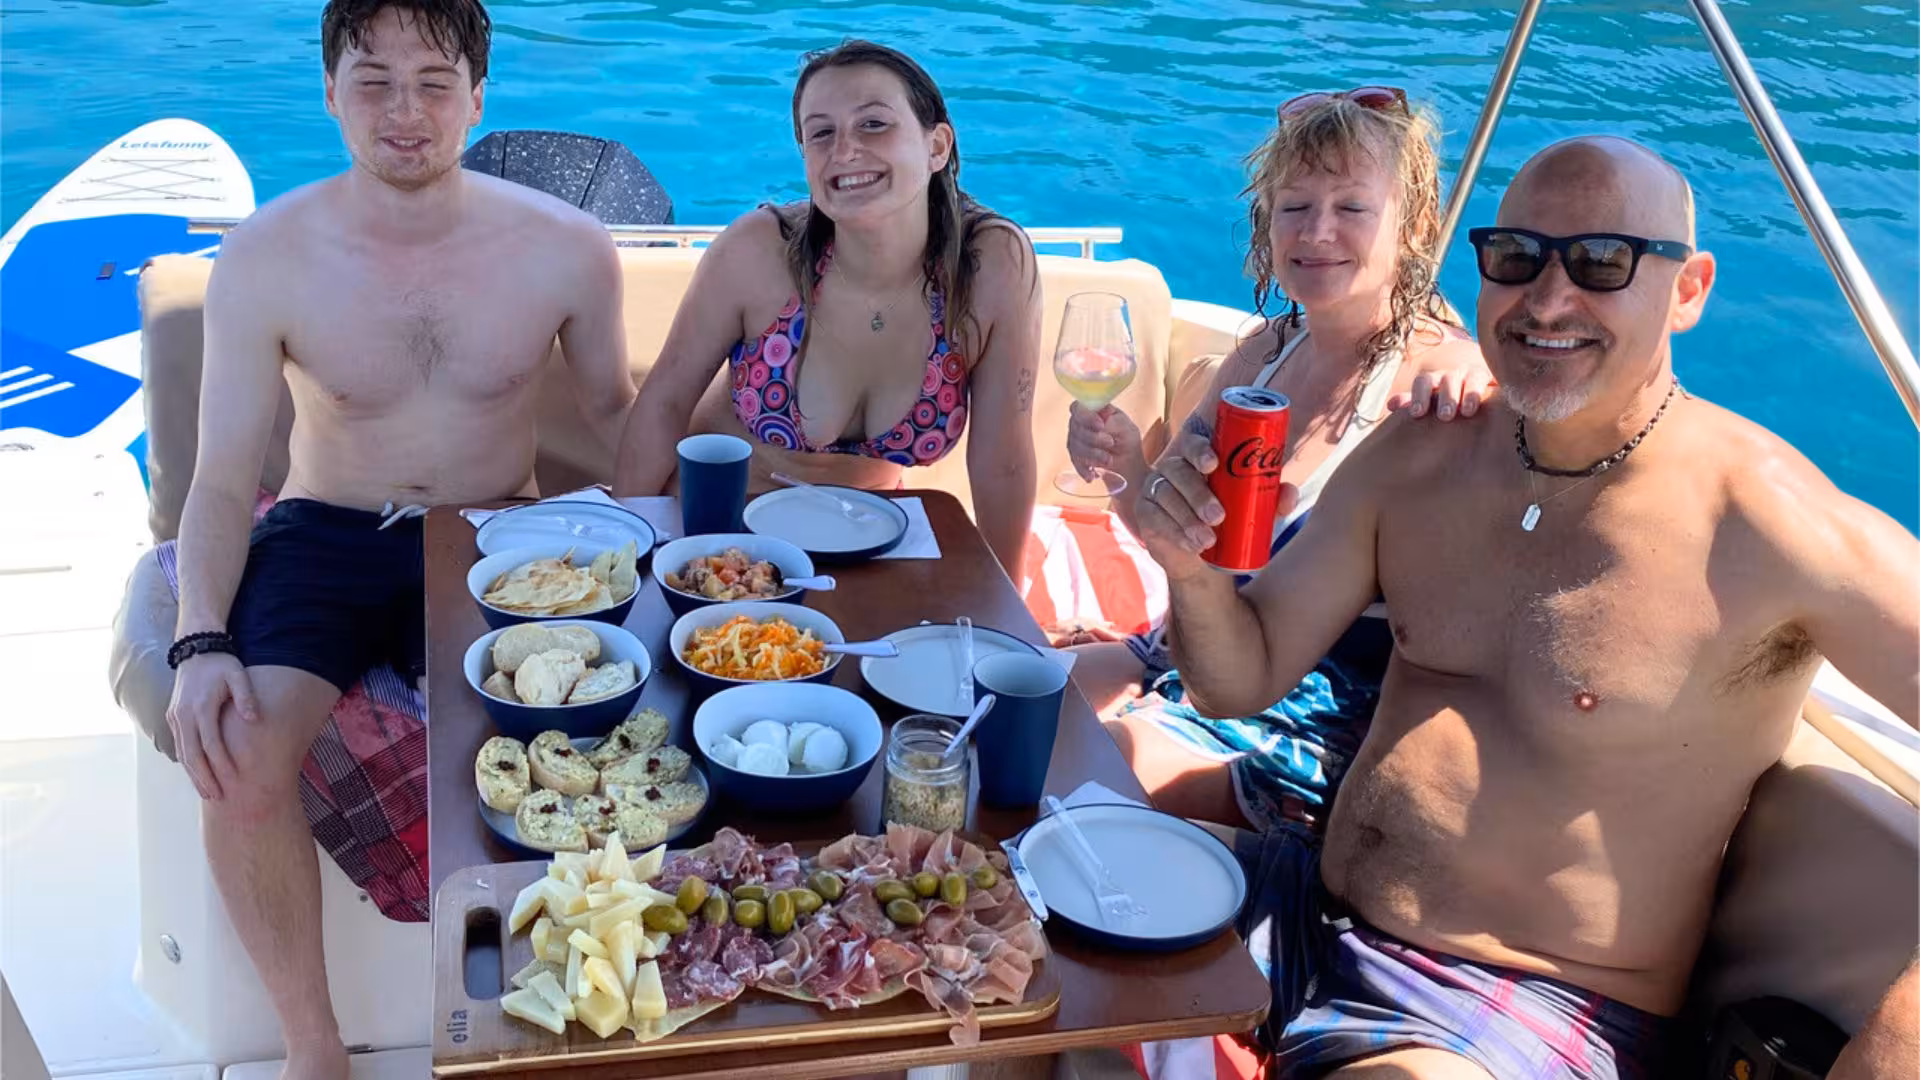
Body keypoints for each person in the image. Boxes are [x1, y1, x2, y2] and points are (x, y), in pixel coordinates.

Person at [1133, 135, 1919, 1077]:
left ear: (1689, 289)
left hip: (1526, 1002)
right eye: (1517, 257)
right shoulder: (1417, 458)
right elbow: (1237, 680)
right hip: (1309, 906)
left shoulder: (1773, 528)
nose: (1548, 300)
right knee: (1005, 907)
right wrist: (1192, 571)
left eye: (1601, 261)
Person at [164, 2, 635, 1075]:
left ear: (479, 98)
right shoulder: (266, 255)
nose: (405, 112)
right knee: (237, 759)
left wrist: (735, 504)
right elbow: (226, 474)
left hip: (495, 532)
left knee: (568, 756)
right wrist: (200, 640)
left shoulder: (566, 246)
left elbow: (618, 420)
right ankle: (313, 1047)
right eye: (373, 80)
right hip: (328, 530)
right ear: (330, 93)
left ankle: (562, 1018)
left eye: (434, 82)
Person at [1066, 86, 1492, 830]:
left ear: (1415, 225)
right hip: (1189, 652)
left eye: (1352, 207)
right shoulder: (1265, 354)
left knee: (1080, 763)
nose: (1316, 231)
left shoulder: (1439, 383)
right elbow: (1175, 537)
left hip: (1315, 720)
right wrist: (1132, 465)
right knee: (1007, 694)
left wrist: (1483, 368)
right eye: (1294, 206)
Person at [614, 40, 1041, 577]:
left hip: (865, 543)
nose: (844, 151)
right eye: (821, 133)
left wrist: (1009, 601)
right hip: (720, 532)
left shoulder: (989, 266)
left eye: (873, 124)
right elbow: (664, 404)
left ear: (936, 146)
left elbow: (1002, 462)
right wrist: (627, 562)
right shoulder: (760, 251)